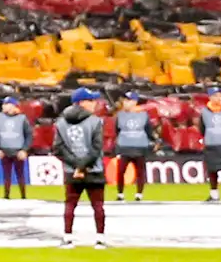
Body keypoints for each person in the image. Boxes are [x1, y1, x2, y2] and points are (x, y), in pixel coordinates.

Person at [52, 90, 110, 244]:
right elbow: (96, 148)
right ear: (81, 102)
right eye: (91, 100)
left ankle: (67, 236)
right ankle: (100, 238)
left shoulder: (60, 123)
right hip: (93, 169)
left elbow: (58, 148)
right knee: (98, 205)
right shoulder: (96, 121)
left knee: (70, 204)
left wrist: (76, 166)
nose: (95, 103)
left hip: (72, 171)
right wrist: (84, 166)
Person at [111, 92, 157, 201]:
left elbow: (148, 130)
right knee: (121, 171)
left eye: (128, 100)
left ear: (135, 102)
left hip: (139, 146)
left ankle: (139, 194)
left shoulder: (143, 115)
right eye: (125, 100)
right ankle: (120, 193)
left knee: (140, 171)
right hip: (124, 146)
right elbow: (117, 130)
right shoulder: (120, 115)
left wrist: (155, 140)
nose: (125, 102)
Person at [0, 89, 35, 201]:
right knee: (6, 174)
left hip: (18, 150)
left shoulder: (22, 118)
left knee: (20, 174)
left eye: (6, 104)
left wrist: (24, 149)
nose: (3, 106)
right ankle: (6, 195)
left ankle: (23, 196)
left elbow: (29, 134)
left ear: (12, 106)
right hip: (4, 150)